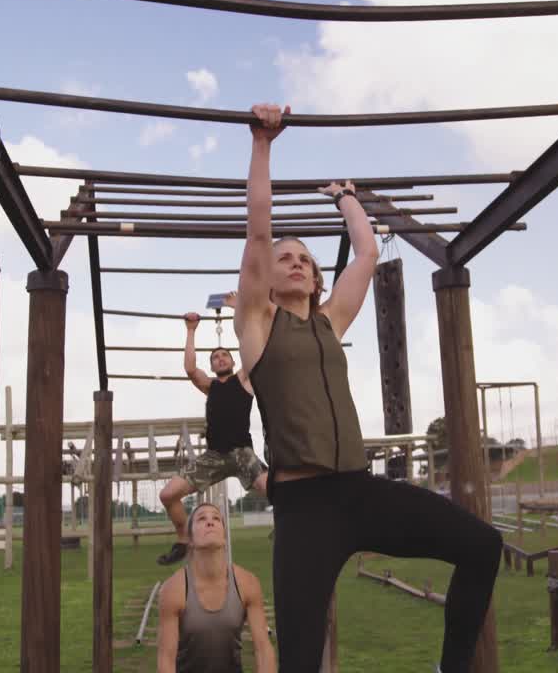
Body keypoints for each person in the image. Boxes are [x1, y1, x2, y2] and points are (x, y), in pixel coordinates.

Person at [232, 103, 503, 672]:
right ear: (268, 278)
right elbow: (258, 230)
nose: (295, 263)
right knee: (300, 660)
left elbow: (368, 252)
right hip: (304, 509)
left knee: (482, 546)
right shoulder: (258, 325)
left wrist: (346, 196)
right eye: (285, 258)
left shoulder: (330, 321)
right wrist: (262, 144)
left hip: (360, 493)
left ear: (316, 277)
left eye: (305, 259)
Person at [157, 298, 268, 566]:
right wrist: (191, 330)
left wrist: (239, 309)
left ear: (233, 360)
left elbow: (253, 344)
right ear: (213, 365)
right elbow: (190, 369)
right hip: (213, 456)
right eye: (215, 358)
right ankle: (183, 540)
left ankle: (290, 528)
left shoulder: (245, 379)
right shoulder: (210, 386)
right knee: (167, 495)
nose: (220, 359)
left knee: (275, 490)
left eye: (224, 355)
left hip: (242, 454)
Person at [156, 501, 276, 673]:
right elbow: (166, 659)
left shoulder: (247, 583)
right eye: (201, 519)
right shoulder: (172, 589)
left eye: (216, 519)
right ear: (190, 540)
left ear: (224, 537)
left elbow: (263, 649)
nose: (210, 522)